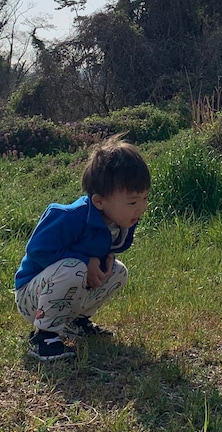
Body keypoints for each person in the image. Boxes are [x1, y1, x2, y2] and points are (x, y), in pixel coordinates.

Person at [14, 134, 150, 361]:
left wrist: (100, 261)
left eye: (145, 198)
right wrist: (85, 261)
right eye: (133, 202)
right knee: (74, 267)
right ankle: (43, 337)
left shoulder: (117, 221)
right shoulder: (69, 216)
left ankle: (76, 323)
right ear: (99, 201)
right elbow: (38, 250)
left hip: (66, 286)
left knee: (118, 271)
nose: (142, 208)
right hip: (32, 296)